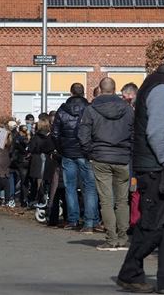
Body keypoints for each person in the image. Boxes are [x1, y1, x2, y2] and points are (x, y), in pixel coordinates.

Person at [117, 47, 164, 294]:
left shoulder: (156, 83)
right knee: (153, 225)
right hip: (157, 169)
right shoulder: (163, 88)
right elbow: (156, 132)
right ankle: (130, 273)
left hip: (155, 166)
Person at [78, 77, 134, 251]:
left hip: (101, 156)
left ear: (100, 90)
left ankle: (111, 238)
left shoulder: (91, 109)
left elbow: (83, 134)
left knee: (106, 200)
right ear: (115, 89)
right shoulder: (127, 109)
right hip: (122, 157)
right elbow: (135, 132)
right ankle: (123, 237)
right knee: (123, 200)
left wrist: (90, 152)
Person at [52, 83, 100, 233]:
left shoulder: (62, 110)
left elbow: (55, 133)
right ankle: (90, 221)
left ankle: (73, 220)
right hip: (85, 153)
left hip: (68, 153)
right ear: (83, 92)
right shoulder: (90, 109)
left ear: (71, 92)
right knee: (89, 187)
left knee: (70, 187)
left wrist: (61, 149)